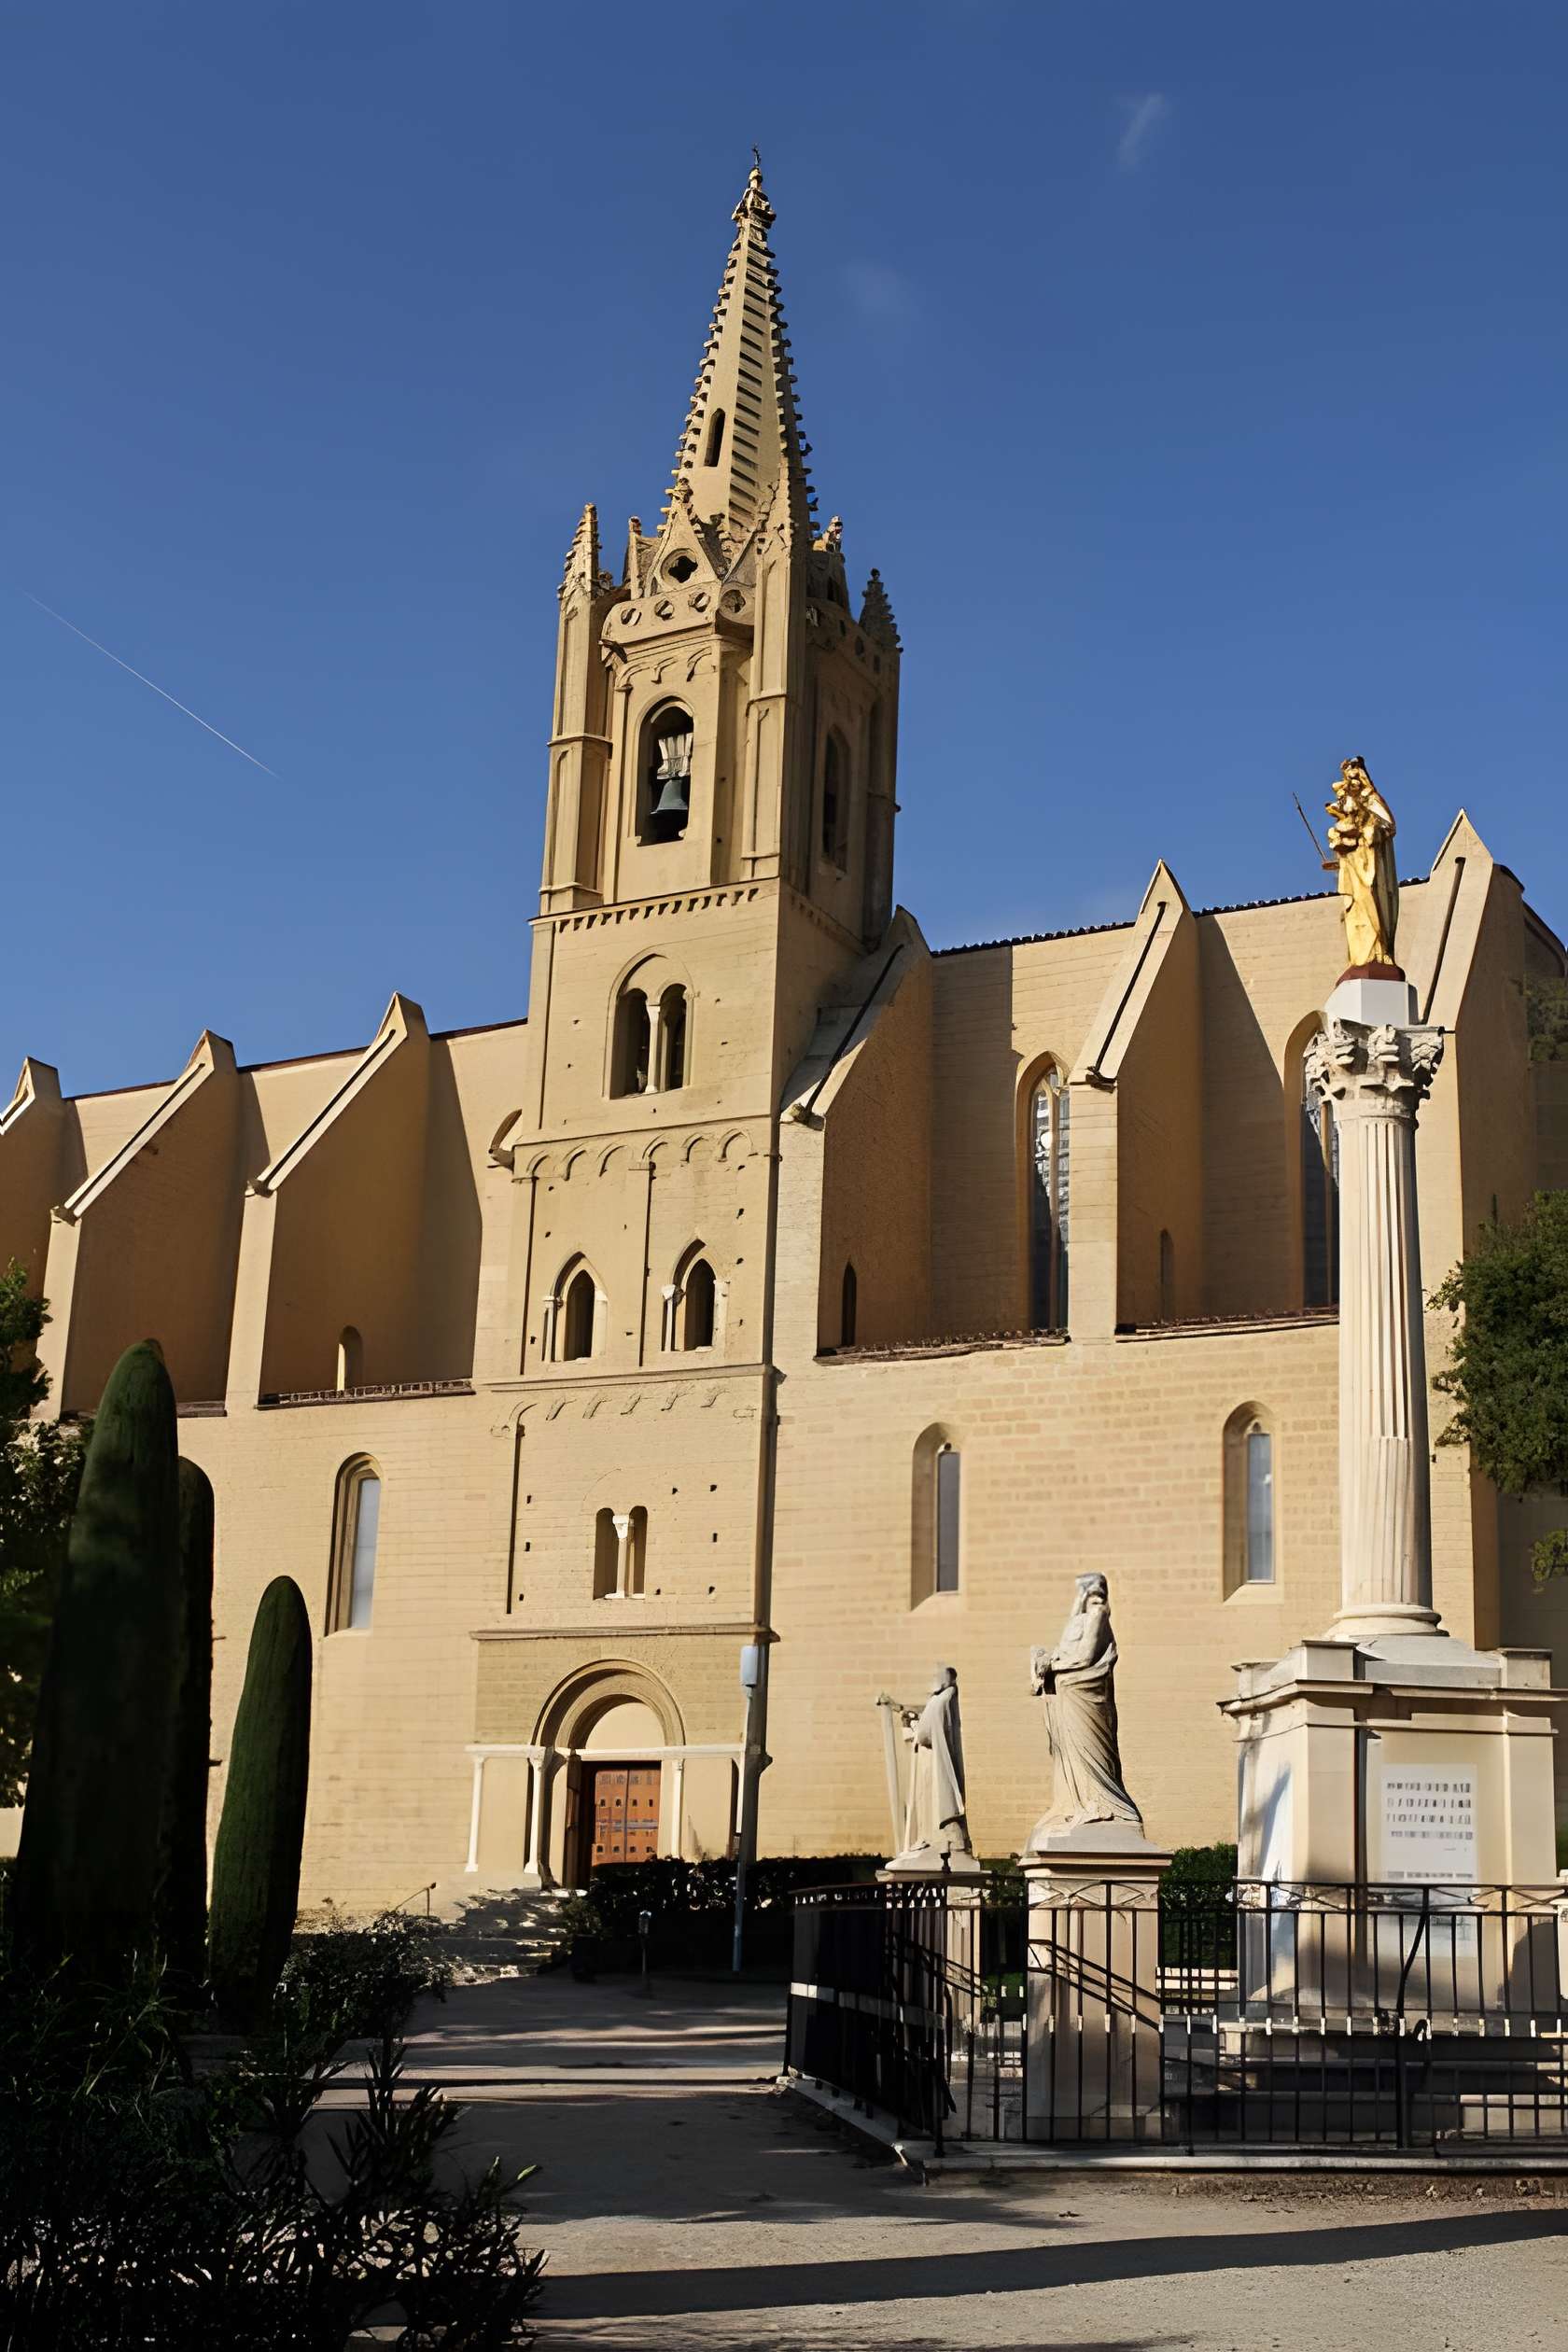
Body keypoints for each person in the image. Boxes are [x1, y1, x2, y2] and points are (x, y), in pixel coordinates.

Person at [1029, 1575, 1143, 1838]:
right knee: (1068, 1754)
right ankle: (1071, 1803)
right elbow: (1066, 1647)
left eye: (1084, 1589)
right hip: (1069, 1696)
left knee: (1089, 1753)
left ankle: (1101, 1804)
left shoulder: (1098, 1613)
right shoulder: (1080, 1617)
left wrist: (1052, 1664)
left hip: (1086, 1700)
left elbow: (1086, 1656)